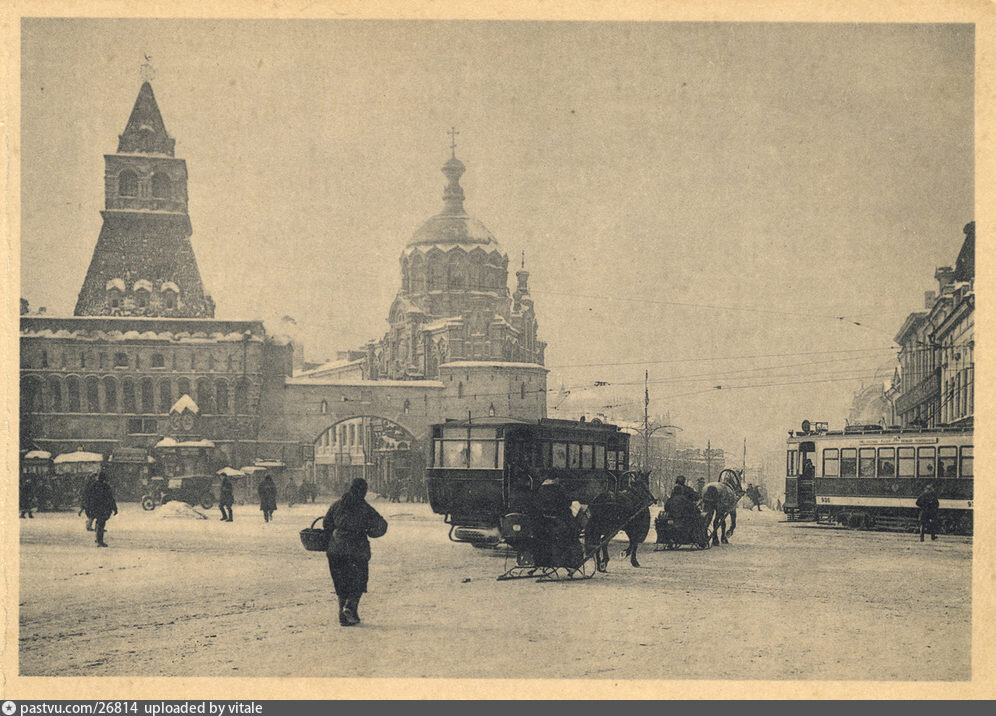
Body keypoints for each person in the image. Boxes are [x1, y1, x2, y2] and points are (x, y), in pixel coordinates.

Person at [322, 478, 388, 626]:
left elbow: (326, 524)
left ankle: (343, 616)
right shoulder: (364, 507)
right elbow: (381, 525)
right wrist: (370, 532)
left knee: (341, 583)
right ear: (363, 491)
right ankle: (350, 607)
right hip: (356, 550)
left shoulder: (337, 504)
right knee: (358, 581)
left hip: (336, 550)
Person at [82, 470, 117, 547]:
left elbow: (87, 496)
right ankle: (99, 540)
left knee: (98, 522)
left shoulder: (93, 485)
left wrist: (85, 506)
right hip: (103, 508)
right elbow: (110, 498)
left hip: (94, 507)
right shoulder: (106, 486)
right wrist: (114, 508)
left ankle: (98, 539)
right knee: (101, 523)